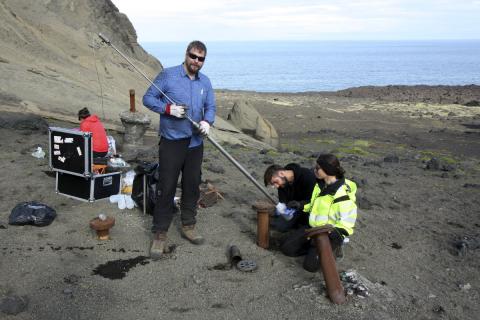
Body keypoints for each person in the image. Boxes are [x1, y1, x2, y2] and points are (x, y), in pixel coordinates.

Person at [142, 40, 216, 259]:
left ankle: (188, 225)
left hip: (195, 144)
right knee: (166, 187)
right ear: (186, 54)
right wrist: (168, 109)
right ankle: (160, 234)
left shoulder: (206, 82)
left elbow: (210, 107)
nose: (196, 61)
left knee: (192, 185)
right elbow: (148, 98)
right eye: (193, 56)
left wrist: (207, 122)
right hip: (172, 141)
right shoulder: (168, 75)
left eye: (200, 58)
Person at [280, 154, 358, 272]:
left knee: (310, 267)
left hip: (329, 233)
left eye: (318, 168)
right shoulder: (320, 185)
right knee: (287, 248)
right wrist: (300, 205)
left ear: (328, 169)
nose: (314, 170)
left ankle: (333, 249)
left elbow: (348, 221)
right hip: (312, 228)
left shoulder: (342, 193)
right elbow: (314, 205)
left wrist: (336, 234)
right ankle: (313, 248)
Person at [263, 163, 316, 232]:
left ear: (281, 173)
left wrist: (299, 204)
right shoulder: (282, 185)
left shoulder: (307, 176)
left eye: (275, 182)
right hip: (294, 211)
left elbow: (315, 200)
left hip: (310, 209)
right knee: (280, 226)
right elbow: (283, 202)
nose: (276, 186)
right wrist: (280, 209)